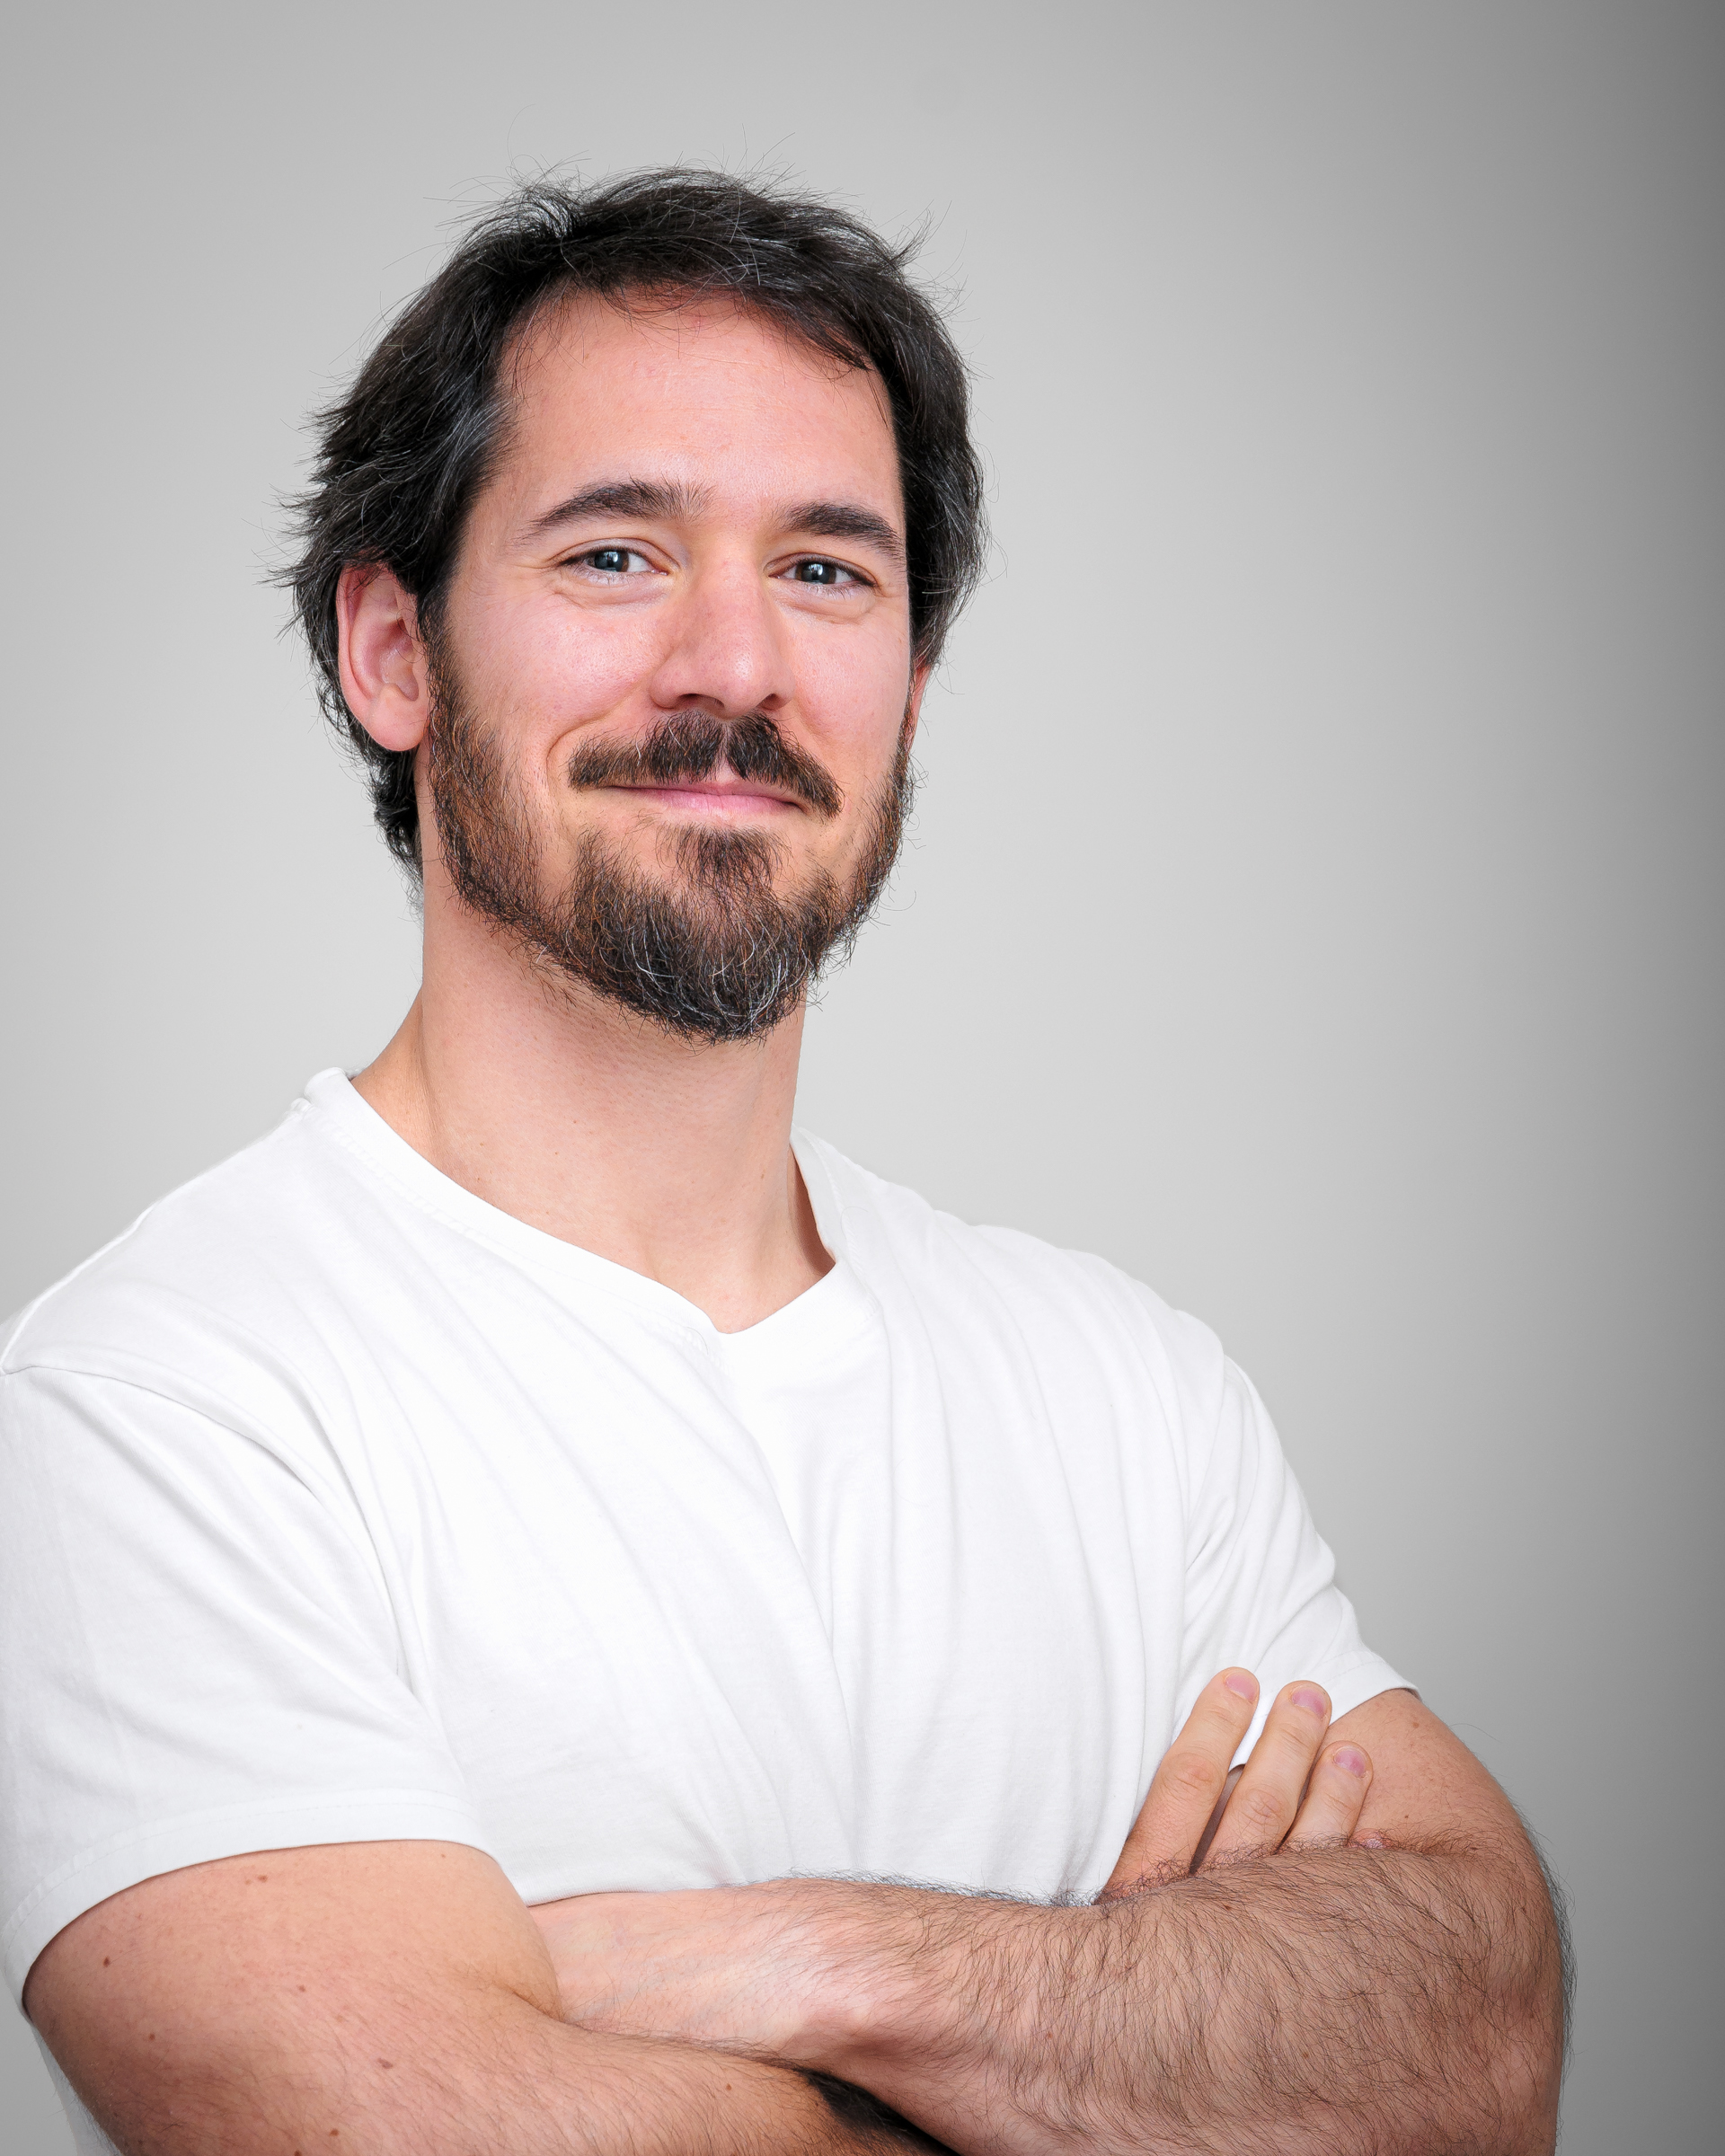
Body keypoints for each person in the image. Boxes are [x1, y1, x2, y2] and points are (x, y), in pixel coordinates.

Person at [1, 171, 1566, 2155]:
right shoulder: (168, 1401)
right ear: (393, 653)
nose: (733, 670)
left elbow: (1477, 2040)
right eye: (616, 556)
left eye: (829, 572)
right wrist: (1118, 2042)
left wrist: (816, 1962)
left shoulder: (1129, 1397)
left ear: (912, 684)